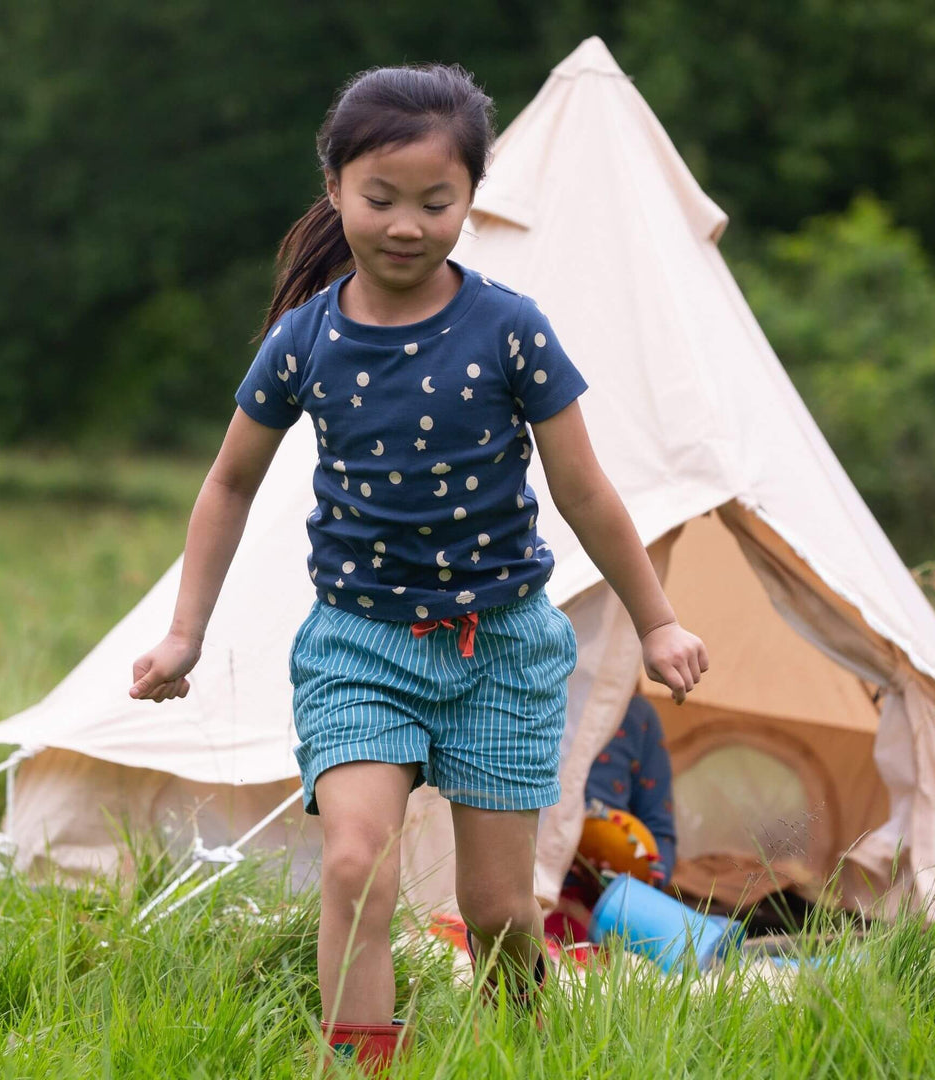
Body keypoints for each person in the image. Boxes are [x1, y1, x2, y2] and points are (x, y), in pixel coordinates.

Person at [128, 63, 709, 1071]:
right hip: (360, 646)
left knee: (494, 914)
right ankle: (360, 1063)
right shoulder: (303, 343)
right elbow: (228, 484)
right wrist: (186, 630)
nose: (407, 225)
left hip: (503, 650)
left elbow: (586, 490)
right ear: (336, 193)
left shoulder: (511, 328)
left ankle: (530, 1054)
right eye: (380, 199)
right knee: (355, 860)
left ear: (469, 199)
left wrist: (656, 620)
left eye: (436, 202)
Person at [550, 695, 677, 944]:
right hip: (526, 889)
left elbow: (661, 831)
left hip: (608, 907)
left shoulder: (637, 714)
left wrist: (636, 879)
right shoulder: (523, 690)